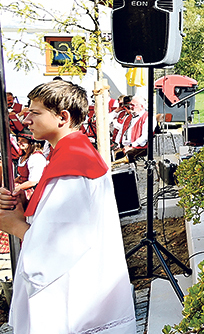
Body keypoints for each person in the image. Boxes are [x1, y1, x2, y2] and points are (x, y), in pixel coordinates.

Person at [0, 80, 136, 333]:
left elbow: (59, 243)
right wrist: (25, 207)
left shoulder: (71, 166)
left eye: (35, 112)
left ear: (62, 117)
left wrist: (13, 225)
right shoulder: (72, 152)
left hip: (72, 291)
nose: (26, 120)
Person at [13, 130, 47, 200]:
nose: (19, 142)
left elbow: (33, 182)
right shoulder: (23, 157)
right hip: (22, 188)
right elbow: (21, 176)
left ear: (31, 143)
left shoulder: (37, 157)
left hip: (31, 192)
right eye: (18, 140)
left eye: (23, 140)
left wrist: (16, 189)